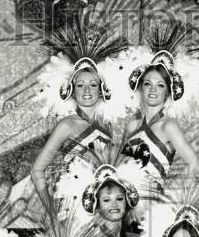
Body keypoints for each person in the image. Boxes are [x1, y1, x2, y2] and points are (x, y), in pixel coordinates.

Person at [11, 14, 130, 215]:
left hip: (103, 210)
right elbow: (37, 170)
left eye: (93, 84)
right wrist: (51, 210)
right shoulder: (66, 125)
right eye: (80, 85)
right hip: (73, 207)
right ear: (71, 90)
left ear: (102, 89)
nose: (87, 90)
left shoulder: (109, 125)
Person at [125, 20, 199, 186]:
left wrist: (181, 197)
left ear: (168, 93)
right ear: (140, 87)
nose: (153, 90)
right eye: (148, 84)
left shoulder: (168, 126)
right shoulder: (132, 126)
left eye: (160, 85)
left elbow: (194, 163)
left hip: (151, 204)